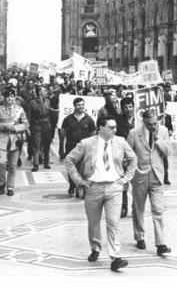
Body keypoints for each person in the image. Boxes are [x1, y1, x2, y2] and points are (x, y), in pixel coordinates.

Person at [65, 116, 137, 272]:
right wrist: (79, 180)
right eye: (111, 127)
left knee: (114, 224)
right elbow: (69, 160)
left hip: (114, 188)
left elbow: (133, 159)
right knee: (94, 223)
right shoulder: (86, 143)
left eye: (115, 127)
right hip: (93, 188)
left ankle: (116, 257)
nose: (115, 130)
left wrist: (126, 178)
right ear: (101, 128)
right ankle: (95, 248)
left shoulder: (120, 142)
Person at [126, 110, 171, 256]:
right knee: (138, 207)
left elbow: (168, 152)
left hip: (157, 175)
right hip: (140, 176)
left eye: (155, 123)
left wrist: (158, 138)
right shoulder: (134, 133)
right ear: (144, 122)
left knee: (158, 209)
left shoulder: (163, 131)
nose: (153, 126)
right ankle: (139, 236)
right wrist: (133, 170)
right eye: (150, 124)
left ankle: (161, 243)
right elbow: (127, 153)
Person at [0, 87, 30, 196]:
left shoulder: (20, 109)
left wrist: (16, 128)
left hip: (15, 139)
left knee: (12, 165)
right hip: (2, 138)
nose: (9, 99)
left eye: (12, 96)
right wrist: (4, 126)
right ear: (4, 98)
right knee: (1, 162)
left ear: (14, 97)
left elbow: (26, 124)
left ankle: (10, 186)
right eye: (7, 96)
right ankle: (2, 183)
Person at [60, 97, 97, 198]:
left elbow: (93, 135)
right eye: (78, 105)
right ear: (74, 106)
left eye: (82, 104)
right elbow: (62, 133)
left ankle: (80, 188)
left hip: (84, 147)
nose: (81, 107)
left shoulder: (89, 120)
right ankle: (72, 186)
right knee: (71, 168)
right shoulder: (68, 119)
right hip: (71, 146)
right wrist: (61, 149)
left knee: (83, 168)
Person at [116, 96, 136, 217]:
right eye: (126, 107)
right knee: (123, 181)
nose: (128, 109)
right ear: (122, 109)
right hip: (123, 155)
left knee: (137, 184)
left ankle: (136, 207)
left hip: (138, 155)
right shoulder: (118, 121)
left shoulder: (139, 119)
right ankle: (124, 207)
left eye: (130, 107)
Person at [28, 85, 53, 171]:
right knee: (36, 146)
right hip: (37, 125)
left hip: (46, 125)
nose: (46, 92)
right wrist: (28, 128)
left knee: (47, 145)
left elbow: (49, 111)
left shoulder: (47, 101)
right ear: (39, 92)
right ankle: (36, 164)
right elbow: (29, 116)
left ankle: (46, 163)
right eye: (44, 91)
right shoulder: (33, 102)